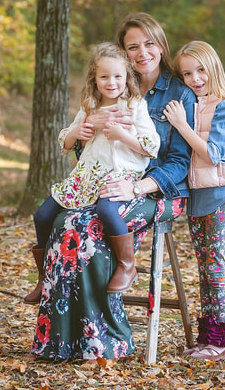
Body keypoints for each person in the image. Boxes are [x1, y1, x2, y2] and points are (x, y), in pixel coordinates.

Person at [30, 12, 195, 361]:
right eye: (132, 46)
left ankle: (105, 340)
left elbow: (179, 162)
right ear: (122, 53)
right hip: (103, 184)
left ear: (161, 46)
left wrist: (137, 188)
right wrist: (86, 127)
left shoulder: (178, 92)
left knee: (85, 229)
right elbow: (87, 149)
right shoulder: (112, 83)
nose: (142, 52)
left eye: (149, 43)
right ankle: (61, 339)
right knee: (64, 222)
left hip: (157, 190)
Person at [24, 42, 160, 303]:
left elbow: (152, 146)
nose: (111, 82)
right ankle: (43, 278)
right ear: (94, 79)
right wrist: (80, 130)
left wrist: (123, 135)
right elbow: (65, 140)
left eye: (118, 76)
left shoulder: (134, 106)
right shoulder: (90, 106)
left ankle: (126, 265)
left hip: (120, 174)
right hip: (86, 175)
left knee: (107, 210)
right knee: (42, 215)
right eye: (104, 76)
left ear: (127, 78)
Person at [163, 40, 225, 361]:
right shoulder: (195, 103)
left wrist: (181, 124)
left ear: (214, 69)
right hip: (199, 196)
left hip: (221, 196)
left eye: (201, 70)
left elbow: (214, 154)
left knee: (214, 268)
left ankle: (220, 339)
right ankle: (206, 337)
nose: (195, 78)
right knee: (205, 269)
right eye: (187, 73)